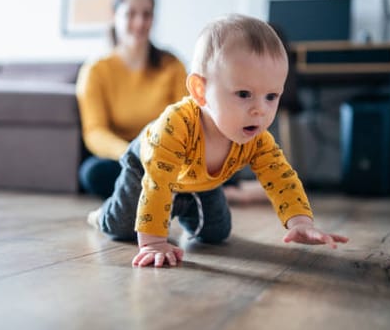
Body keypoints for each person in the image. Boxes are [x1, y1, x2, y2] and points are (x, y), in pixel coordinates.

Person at [87, 14, 349, 267]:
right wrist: (154, 242)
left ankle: (181, 204)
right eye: (244, 94)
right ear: (200, 91)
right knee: (121, 227)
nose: (260, 110)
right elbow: (158, 183)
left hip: (200, 181)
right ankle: (103, 215)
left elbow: (281, 177)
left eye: (271, 96)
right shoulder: (175, 125)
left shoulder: (256, 138)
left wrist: (300, 222)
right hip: (147, 169)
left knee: (215, 234)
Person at [76, 0, 188, 199]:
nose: (139, 23)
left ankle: (156, 191)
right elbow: (95, 131)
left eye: (146, 14)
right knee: (92, 173)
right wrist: (134, 154)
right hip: (122, 156)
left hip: (167, 155)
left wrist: (161, 154)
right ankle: (168, 192)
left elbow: (186, 122)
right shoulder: (96, 70)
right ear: (115, 17)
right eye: (130, 14)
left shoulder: (172, 65)